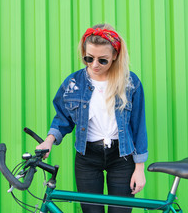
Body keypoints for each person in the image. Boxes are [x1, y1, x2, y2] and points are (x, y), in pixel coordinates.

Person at [36, 23, 148, 213]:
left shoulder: (130, 82)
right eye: (89, 58)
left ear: (115, 55)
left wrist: (139, 168)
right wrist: (48, 141)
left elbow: (138, 127)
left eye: (102, 60)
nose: (94, 65)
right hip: (87, 157)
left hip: (122, 157)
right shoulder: (73, 83)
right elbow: (63, 118)